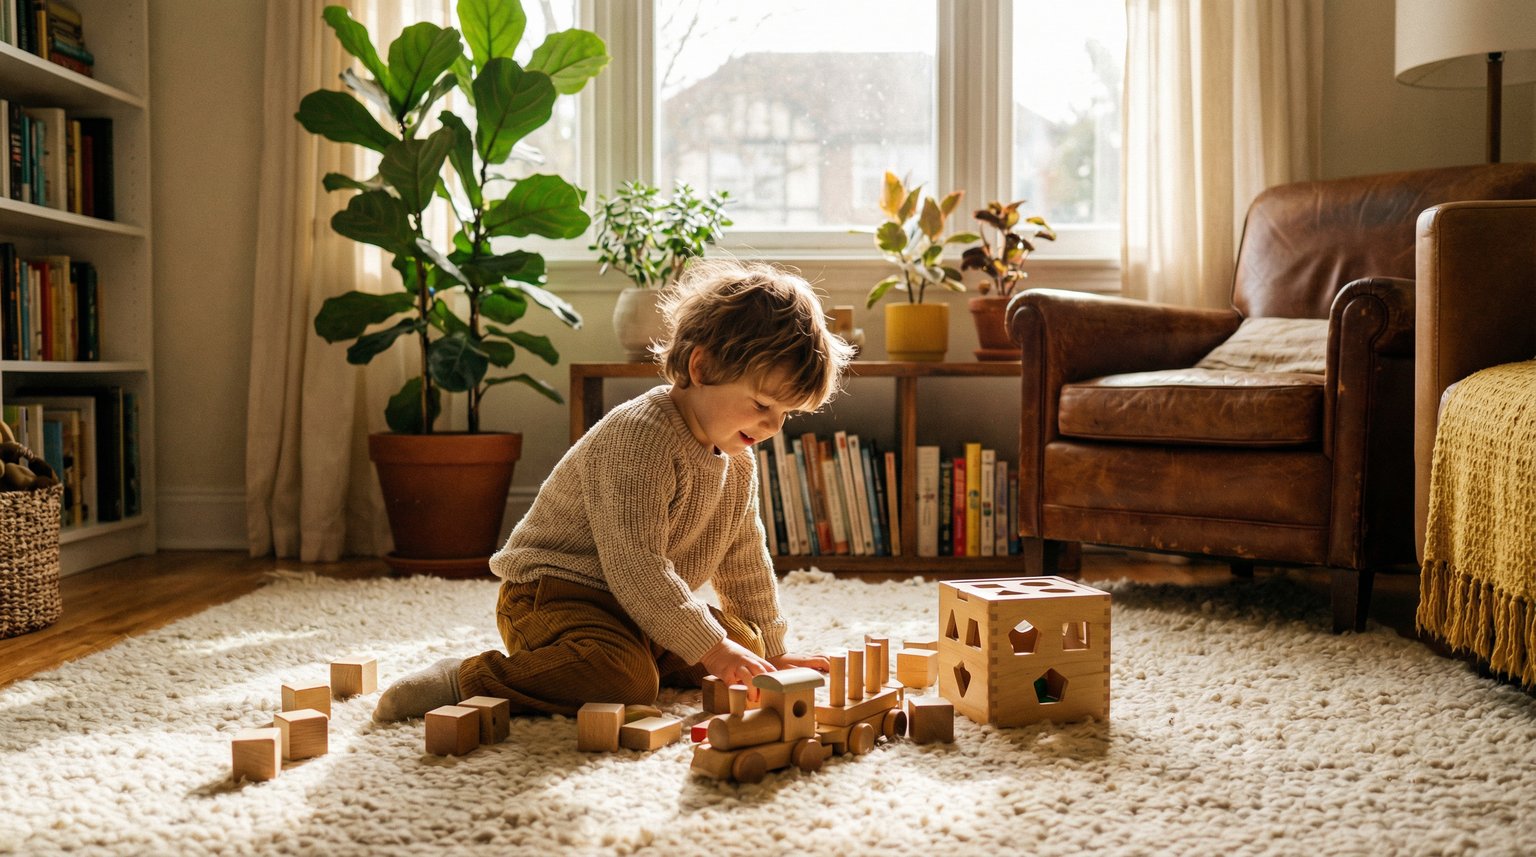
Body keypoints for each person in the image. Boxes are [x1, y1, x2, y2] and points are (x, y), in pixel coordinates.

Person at [374, 259, 856, 722]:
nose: (773, 427)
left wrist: (775, 650)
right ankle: (466, 679)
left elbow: (743, 558)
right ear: (702, 367)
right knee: (625, 682)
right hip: (556, 595)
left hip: (640, 607)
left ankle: (646, 649)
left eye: (786, 415)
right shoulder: (640, 438)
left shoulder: (738, 458)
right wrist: (709, 646)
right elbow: (636, 567)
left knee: (746, 653)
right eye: (761, 405)